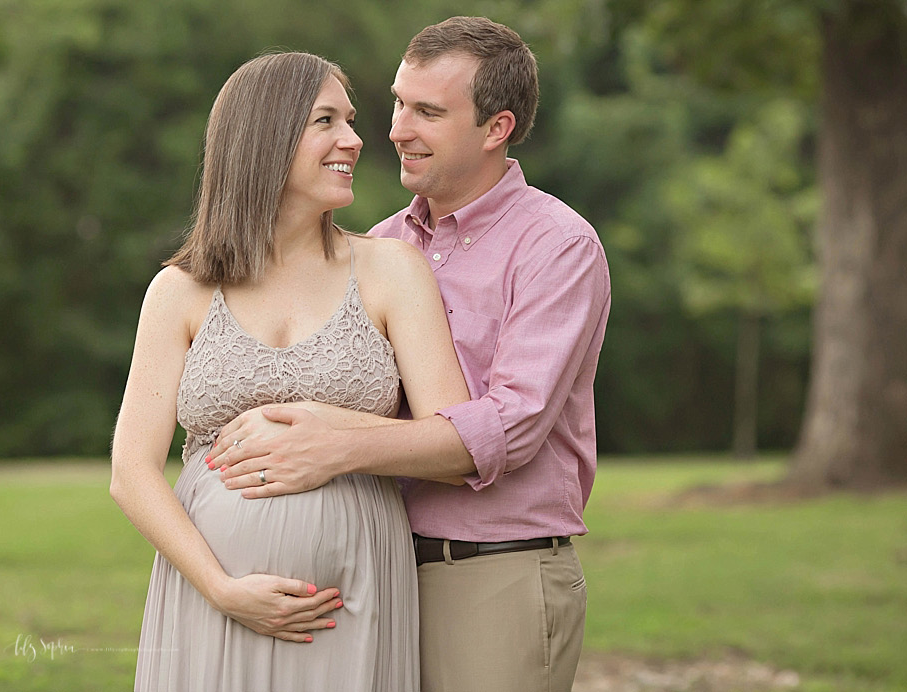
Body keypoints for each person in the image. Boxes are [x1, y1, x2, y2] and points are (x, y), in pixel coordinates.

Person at [207, 17, 611, 692]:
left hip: (491, 574)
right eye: (398, 103)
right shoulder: (379, 247)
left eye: (427, 111)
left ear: (496, 128)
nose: (396, 129)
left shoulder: (557, 246)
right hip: (373, 570)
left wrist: (336, 443)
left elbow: (508, 427)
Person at [110, 51, 471, 691]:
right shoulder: (181, 289)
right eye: (325, 121)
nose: (355, 140)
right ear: (265, 140)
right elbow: (131, 472)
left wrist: (334, 432)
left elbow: (453, 445)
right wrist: (221, 589)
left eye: (352, 120)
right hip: (212, 597)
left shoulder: (392, 271)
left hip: (355, 588)